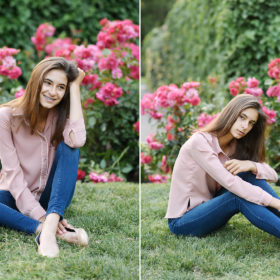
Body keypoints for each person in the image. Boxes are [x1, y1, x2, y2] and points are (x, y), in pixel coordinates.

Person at [0, 57, 88, 258]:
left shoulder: (60, 117)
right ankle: (45, 230)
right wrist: (41, 217)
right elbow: (12, 173)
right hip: (16, 194)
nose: (52, 92)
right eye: (47, 83)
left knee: (71, 144)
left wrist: (75, 87)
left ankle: (50, 226)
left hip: (53, 195)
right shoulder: (6, 117)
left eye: (61, 87)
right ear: (36, 82)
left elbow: (78, 140)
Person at [165, 94, 280, 238]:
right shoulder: (199, 142)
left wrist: (250, 165)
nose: (245, 126)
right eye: (242, 117)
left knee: (248, 174)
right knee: (236, 196)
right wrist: (275, 203)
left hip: (211, 208)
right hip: (183, 221)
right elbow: (231, 183)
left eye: (251, 123)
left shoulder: (236, 146)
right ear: (231, 113)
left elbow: (273, 175)